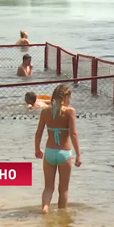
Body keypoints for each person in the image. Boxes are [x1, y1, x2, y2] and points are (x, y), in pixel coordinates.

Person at [34, 84, 82, 214]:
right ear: (66, 97)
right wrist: (78, 155)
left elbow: (38, 133)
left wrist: (37, 149)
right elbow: (73, 134)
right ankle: (62, 217)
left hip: (49, 152)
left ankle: (45, 208)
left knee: (48, 188)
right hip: (64, 153)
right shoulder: (69, 111)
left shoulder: (45, 112)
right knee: (64, 189)